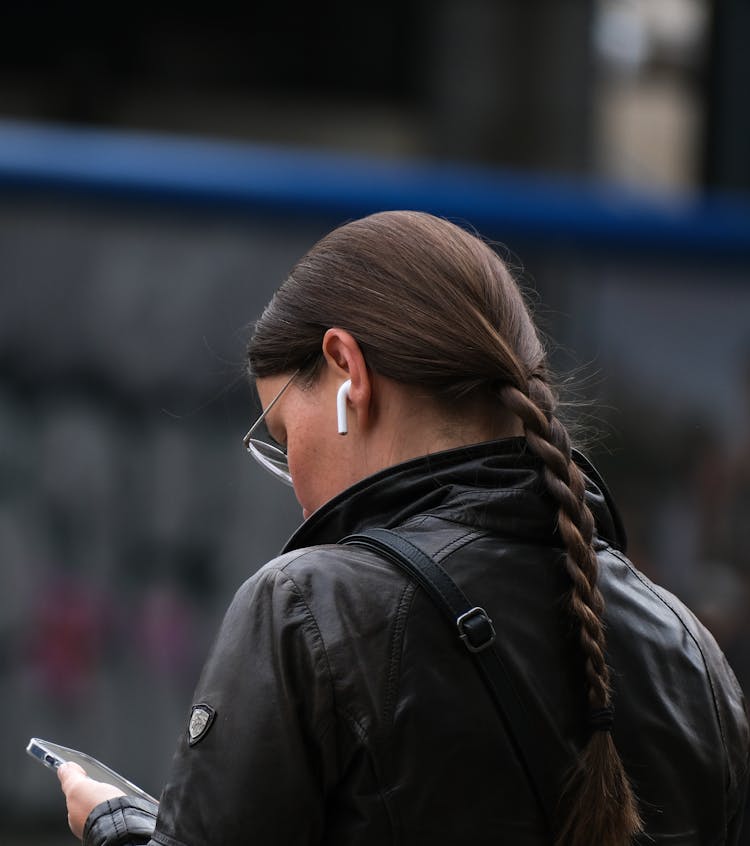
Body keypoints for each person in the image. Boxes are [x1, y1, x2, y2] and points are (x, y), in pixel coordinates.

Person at [59, 210, 749, 845]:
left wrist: (121, 828)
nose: (294, 483)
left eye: (281, 431)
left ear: (346, 371)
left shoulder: (307, 608)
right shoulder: (691, 650)